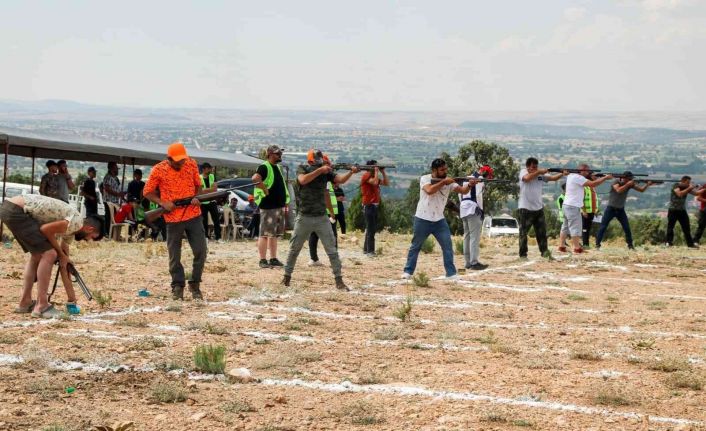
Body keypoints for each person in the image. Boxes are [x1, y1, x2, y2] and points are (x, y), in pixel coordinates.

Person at [0, 194, 100, 318]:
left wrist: (71, 299)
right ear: (90, 229)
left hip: (8, 207)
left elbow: (65, 265)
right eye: (92, 237)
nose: (88, 240)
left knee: (37, 255)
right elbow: (45, 229)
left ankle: (25, 303)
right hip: (17, 210)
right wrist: (59, 254)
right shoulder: (76, 222)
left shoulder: (70, 231)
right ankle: (42, 305)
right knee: (49, 254)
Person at [282, 149, 358, 290]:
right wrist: (320, 170)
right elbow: (303, 180)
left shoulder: (326, 173)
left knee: (332, 250)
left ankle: (339, 280)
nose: (319, 161)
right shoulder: (303, 168)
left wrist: (351, 172)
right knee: (294, 249)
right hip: (304, 216)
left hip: (322, 217)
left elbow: (340, 180)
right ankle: (286, 277)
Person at [144, 142, 207, 300]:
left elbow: (198, 186)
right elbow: (147, 192)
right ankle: (177, 286)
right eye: (178, 161)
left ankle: (195, 283)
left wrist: (196, 198)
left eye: (183, 160)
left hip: (193, 214)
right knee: (174, 255)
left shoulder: (191, 163)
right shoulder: (158, 169)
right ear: (169, 159)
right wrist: (162, 203)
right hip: (172, 218)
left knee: (201, 250)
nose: (181, 163)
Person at [402, 158, 475, 280]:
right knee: (416, 246)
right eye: (442, 170)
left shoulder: (449, 182)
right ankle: (408, 271)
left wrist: (470, 185)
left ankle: (451, 273)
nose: (445, 171)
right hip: (422, 218)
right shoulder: (425, 179)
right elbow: (429, 190)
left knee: (447, 246)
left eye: (446, 169)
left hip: (439, 220)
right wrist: (443, 182)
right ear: (434, 170)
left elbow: (463, 190)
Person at [558, 165, 612, 254]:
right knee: (576, 227)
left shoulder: (572, 176)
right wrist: (605, 178)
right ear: (582, 171)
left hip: (567, 205)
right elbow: (593, 184)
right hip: (573, 206)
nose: (588, 173)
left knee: (565, 227)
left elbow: (591, 181)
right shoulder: (578, 177)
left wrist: (595, 178)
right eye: (587, 171)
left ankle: (561, 246)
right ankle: (577, 248)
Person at [517, 158, 565, 259]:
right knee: (523, 233)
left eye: (536, 167)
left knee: (542, 233)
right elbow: (526, 179)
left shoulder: (540, 176)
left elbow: (553, 178)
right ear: (528, 167)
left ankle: (545, 252)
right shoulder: (523, 172)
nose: (535, 169)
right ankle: (523, 255)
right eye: (533, 167)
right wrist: (539, 171)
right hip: (525, 208)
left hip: (538, 209)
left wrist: (562, 173)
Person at [595, 172, 653, 250]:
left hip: (620, 210)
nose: (630, 180)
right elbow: (619, 190)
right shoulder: (616, 182)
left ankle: (630, 246)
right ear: (624, 178)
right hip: (611, 209)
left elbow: (641, 190)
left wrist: (647, 184)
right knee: (603, 227)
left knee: (626, 228)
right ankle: (597, 245)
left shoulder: (629, 184)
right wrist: (628, 184)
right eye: (629, 179)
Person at [252, 145, 288, 267]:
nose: (280, 156)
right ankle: (262, 260)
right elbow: (255, 178)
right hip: (269, 206)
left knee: (273, 235)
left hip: (278, 205)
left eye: (280, 153)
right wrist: (265, 189)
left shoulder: (276, 167)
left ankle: (273, 258)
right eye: (278, 154)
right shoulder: (264, 166)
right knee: (265, 234)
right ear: (270, 154)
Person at [459, 165, 494, 270]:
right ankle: (474, 262)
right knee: (474, 237)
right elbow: (479, 197)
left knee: (467, 236)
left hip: (463, 209)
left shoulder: (464, 180)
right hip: (473, 209)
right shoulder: (480, 180)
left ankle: (468, 262)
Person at [361, 160, 389, 257]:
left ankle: (366, 249)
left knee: (370, 229)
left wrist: (383, 172)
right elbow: (374, 182)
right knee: (371, 229)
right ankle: (370, 251)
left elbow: (386, 183)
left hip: (374, 206)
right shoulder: (366, 175)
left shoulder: (373, 176)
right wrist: (376, 171)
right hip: (369, 205)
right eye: (374, 166)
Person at [308, 181, 339, 266]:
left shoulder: (317, 179)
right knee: (332, 236)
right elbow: (327, 197)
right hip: (327, 213)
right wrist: (332, 213)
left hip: (318, 211)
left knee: (314, 235)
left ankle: (313, 259)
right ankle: (334, 260)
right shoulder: (326, 181)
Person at [666, 176, 699, 248]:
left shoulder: (686, 188)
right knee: (670, 227)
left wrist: (703, 189)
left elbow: (696, 193)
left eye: (689, 182)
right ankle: (669, 243)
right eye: (688, 182)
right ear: (683, 181)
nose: (689, 184)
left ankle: (690, 244)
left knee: (686, 228)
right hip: (673, 210)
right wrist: (690, 188)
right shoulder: (676, 185)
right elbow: (679, 194)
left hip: (682, 210)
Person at [198, 163, 221, 242]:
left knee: (216, 220)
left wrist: (205, 190)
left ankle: (218, 237)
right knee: (204, 221)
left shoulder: (212, 176)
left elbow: (215, 189)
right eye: (209, 168)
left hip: (212, 201)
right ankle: (206, 237)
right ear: (204, 169)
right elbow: (200, 192)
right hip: (203, 202)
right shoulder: (199, 177)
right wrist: (209, 189)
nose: (210, 170)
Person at [102, 161, 123, 235]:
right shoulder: (108, 177)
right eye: (116, 168)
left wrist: (120, 194)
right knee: (109, 217)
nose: (117, 170)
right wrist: (117, 194)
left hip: (115, 201)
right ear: (111, 169)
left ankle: (113, 233)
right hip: (109, 201)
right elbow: (107, 189)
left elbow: (117, 187)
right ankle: (107, 233)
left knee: (114, 217)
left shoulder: (115, 178)